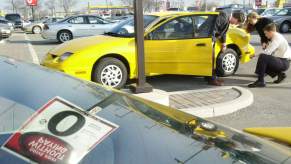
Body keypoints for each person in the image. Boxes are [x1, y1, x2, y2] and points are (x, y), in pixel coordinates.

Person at [207, 10, 245, 86]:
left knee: (211, 60)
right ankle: (212, 80)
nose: (236, 24)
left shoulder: (226, 18)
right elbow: (213, 29)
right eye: (237, 22)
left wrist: (223, 43)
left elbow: (223, 32)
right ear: (236, 18)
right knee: (211, 60)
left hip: (209, 40)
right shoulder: (223, 17)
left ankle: (212, 78)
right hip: (207, 40)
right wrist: (211, 41)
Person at [248, 23, 291, 88]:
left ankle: (261, 81)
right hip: (281, 61)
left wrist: (254, 55)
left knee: (263, 56)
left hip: (284, 62)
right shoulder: (275, 37)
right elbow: (268, 51)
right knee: (263, 62)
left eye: (266, 33)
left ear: (271, 32)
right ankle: (280, 75)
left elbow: (267, 52)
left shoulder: (277, 38)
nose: (265, 35)